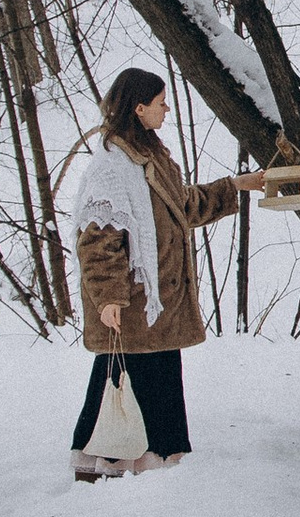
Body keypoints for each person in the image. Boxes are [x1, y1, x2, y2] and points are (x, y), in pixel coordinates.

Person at [69, 67, 266, 482]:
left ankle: (153, 467)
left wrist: (237, 186)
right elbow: (98, 242)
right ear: (139, 108)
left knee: (151, 379)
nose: (166, 109)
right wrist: (108, 299)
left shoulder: (151, 156)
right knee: (122, 381)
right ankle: (107, 469)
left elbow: (182, 205)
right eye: (161, 102)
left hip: (154, 305)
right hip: (133, 304)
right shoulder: (113, 166)